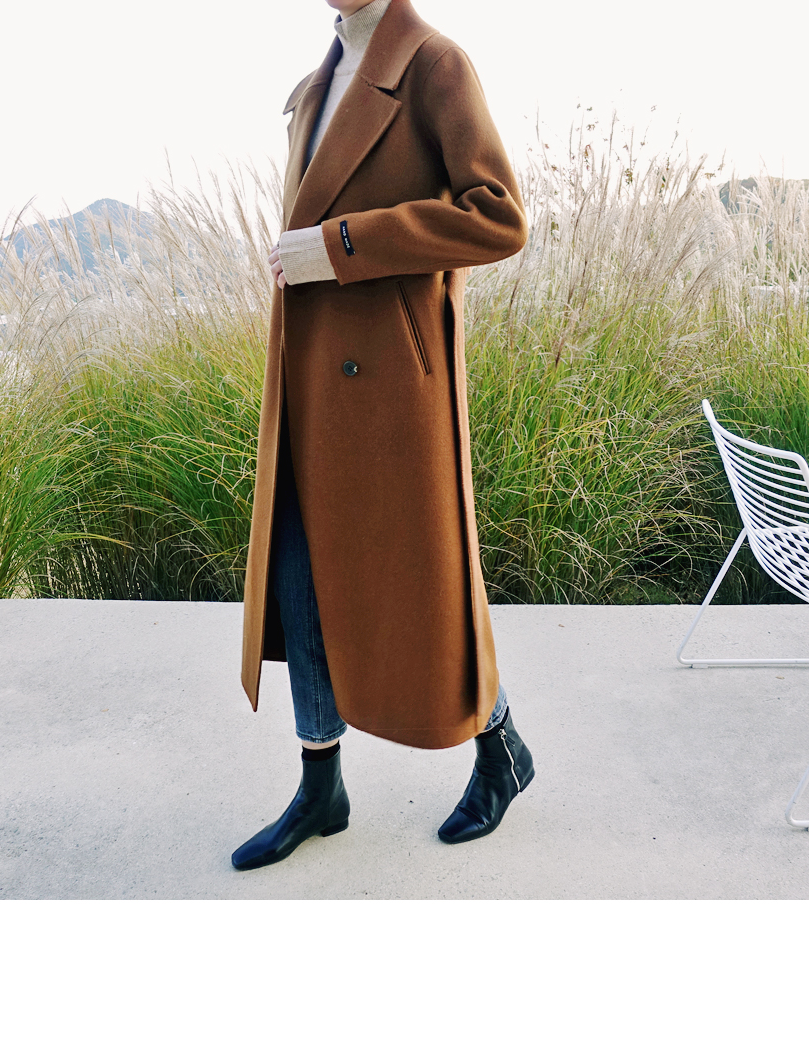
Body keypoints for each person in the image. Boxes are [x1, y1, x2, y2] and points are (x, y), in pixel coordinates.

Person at [234, 0, 533, 871]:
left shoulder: (435, 64)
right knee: (301, 570)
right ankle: (320, 783)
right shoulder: (318, 81)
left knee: (429, 581)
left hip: (396, 389)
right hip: (309, 370)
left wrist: (343, 244)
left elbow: (500, 216)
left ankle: (501, 747)